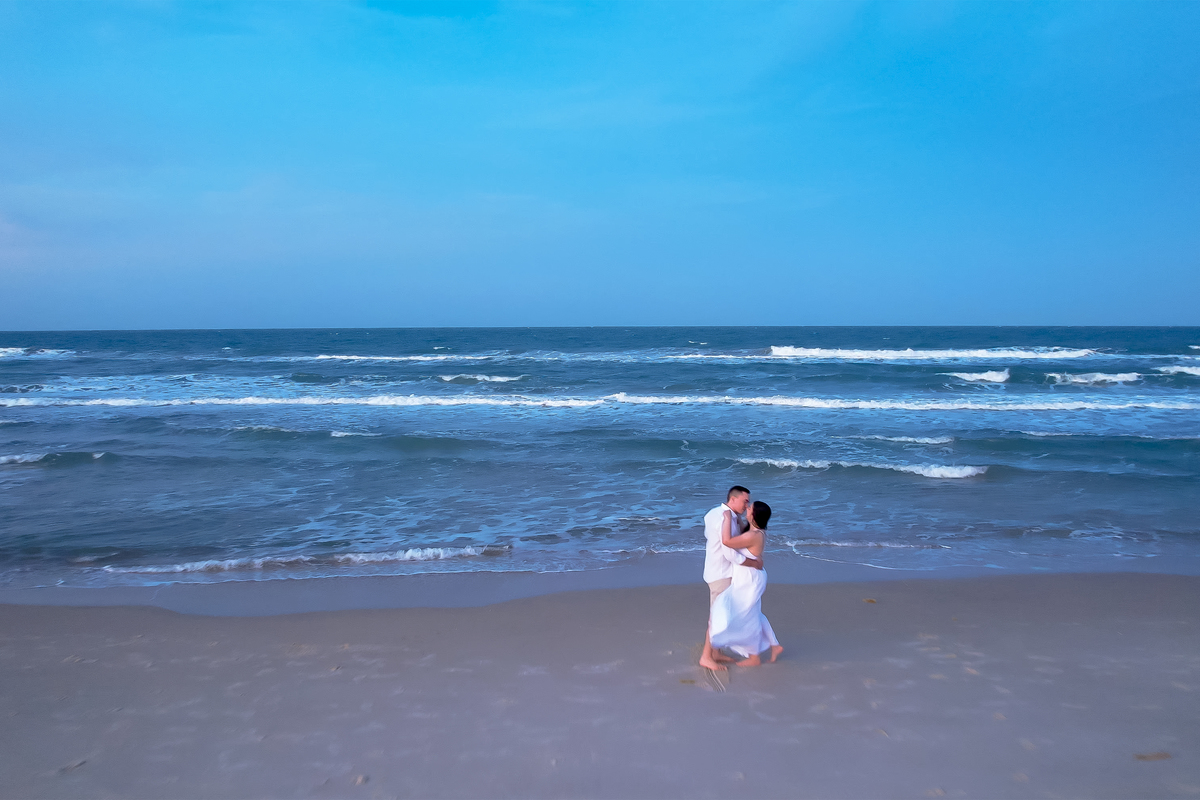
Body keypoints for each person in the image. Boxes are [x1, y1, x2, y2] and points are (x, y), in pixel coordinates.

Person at [709, 500, 783, 667]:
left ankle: (754, 657)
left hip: (749, 580)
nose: (747, 509)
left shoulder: (753, 535)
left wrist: (727, 518)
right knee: (753, 614)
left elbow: (727, 541)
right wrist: (737, 517)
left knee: (746, 616)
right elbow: (742, 530)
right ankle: (775, 645)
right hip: (749, 577)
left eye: (750, 508)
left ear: (754, 515)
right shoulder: (756, 531)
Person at [699, 486, 763, 671]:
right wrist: (753, 564)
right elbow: (729, 553)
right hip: (721, 574)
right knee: (716, 617)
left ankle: (716, 652)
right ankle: (706, 657)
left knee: (720, 615)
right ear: (733, 499)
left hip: (717, 571)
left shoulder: (715, 513)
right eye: (745, 501)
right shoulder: (723, 518)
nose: (747, 505)